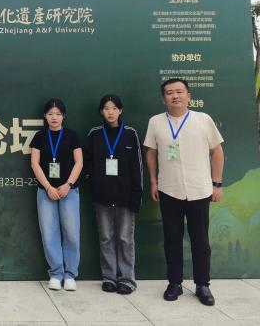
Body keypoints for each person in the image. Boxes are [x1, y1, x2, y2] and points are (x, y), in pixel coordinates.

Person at [143, 78, 224, 306]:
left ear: (188, 96)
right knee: (172, 239)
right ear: (163, 99)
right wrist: (153, 182)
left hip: (200, 190)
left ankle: (203, 284)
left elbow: (217, 152)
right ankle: (174, 283)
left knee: (200, 240)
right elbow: (151, 153)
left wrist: (217, 183)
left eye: (179, 92)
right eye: (169, 93)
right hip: (169, 189)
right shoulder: (156, 122)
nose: (175, 96)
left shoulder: (203, 119)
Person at [84, 94, 143, 295]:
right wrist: (93, 181)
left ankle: (127, 279)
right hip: (102, 197)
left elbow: (137, 167)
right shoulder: (94, 134)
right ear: (101, 111)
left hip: (125, 197)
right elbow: (86, 161)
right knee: (106, 237)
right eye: (107, 108)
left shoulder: (130, 134)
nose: (110, 112)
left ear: (120, 110)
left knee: (125, 238)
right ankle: (109, 277)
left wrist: (137, 195)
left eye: (114, 108)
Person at [30, 98, 83, 291]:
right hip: (46, 192)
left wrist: (68, 184)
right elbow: (34, 163)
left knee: (72, 233)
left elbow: (79, 162)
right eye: (51, 114)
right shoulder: (39, 137)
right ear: (45, 116)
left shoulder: (72, 135)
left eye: (58, 114)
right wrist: (48, 187)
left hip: (69, 191)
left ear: (64, 116)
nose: (54, 117)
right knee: (49, 232)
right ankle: (56, 273)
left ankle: (70, 275)